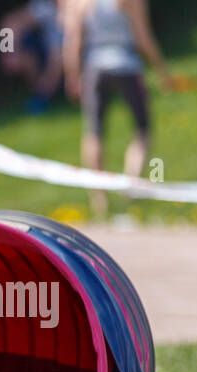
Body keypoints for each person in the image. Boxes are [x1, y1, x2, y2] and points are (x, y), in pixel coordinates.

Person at [63, 0, 173, 217]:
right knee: (142, 130)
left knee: (94, 133)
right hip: (126, 65)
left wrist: (72, 76)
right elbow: (143, 37)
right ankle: (131, 186)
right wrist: (162, 71)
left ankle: (98, 198)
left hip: (94, 67)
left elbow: (73, 40)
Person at [1, 0, 65, 111]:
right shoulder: (45, 6)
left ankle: (43, 96)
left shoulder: (72, 8)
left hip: (68, 49)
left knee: (57, 57)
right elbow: (11, 23)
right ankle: (39, 95)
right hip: (48, 50)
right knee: (28, 53)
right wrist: (9, 51)